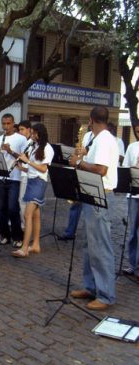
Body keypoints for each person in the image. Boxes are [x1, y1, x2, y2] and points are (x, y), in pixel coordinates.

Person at [69, 106, 118, 310]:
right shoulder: (96, 139)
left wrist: (79, 164)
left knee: (101, 247)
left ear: (91, 120)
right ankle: (91, 286)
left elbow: (101, 169)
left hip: (101, 196)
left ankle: (106, 295)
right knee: (90, 245)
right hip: (92, 194)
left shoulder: (105, 139)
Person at [12, 123, 54, 257]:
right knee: (35, 215)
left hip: (38, 183)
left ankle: (24, 248)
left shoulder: (48, 148)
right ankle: (35, 245)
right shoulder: (35, 146)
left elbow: (43, 169)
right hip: (31, 181)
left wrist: (27, 161)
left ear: (39, 134)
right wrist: (21, 167)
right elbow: (32, 168)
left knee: (27, 215)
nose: (32, 136)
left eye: (34, 133)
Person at [0, 114, 27, 248]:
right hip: (0, 178)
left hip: (14, 178)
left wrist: (10, 151)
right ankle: (4, 235)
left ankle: (17, 237)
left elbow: (24, 158)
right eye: (4, 124)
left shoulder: (21, 139)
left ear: (13, 124)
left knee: (13, 209)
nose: (6, 126)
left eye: (8, 124)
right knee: (1, 209)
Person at [122, 122, 139, 280]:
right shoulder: (132, 147)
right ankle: (132, 264)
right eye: (137, 131)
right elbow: (125, 167)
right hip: (133, 194)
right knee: (132, 232)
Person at [17, 120, 32, 230]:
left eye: (22, 129)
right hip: (21, 174)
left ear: (29, 130)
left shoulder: (30, 143)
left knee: (23, 202)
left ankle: (25, 227)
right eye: (19, 130)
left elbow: (29, 162)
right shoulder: (23, 142)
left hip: (27, 175)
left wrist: (21, 167)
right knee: (21, 202)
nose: (20, 132)